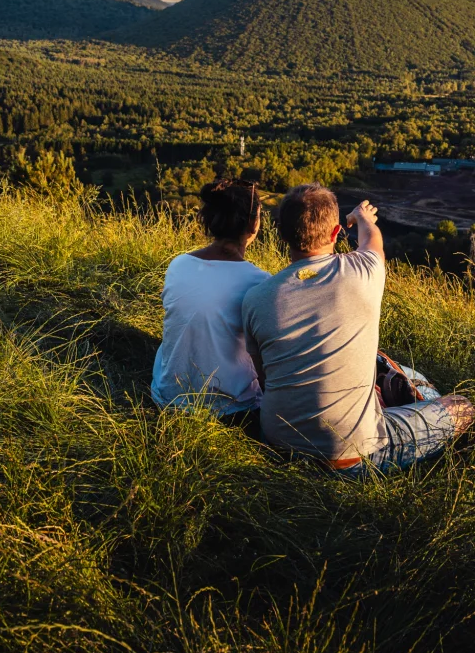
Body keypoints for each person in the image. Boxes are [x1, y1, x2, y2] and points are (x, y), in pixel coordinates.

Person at [242, 183, 474, 474]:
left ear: (282, 233)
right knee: (462, 407)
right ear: (337, 233)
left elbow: (264, 378)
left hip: (277, 445)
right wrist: (362, 217)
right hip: (351, 456)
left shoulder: (255, 299)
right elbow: (372, 239)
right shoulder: (364, 271)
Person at [151, 178, 270, 430]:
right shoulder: (259, 282)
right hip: (230, 411)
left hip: (167, 398)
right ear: (253, 223)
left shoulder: (178, 264)